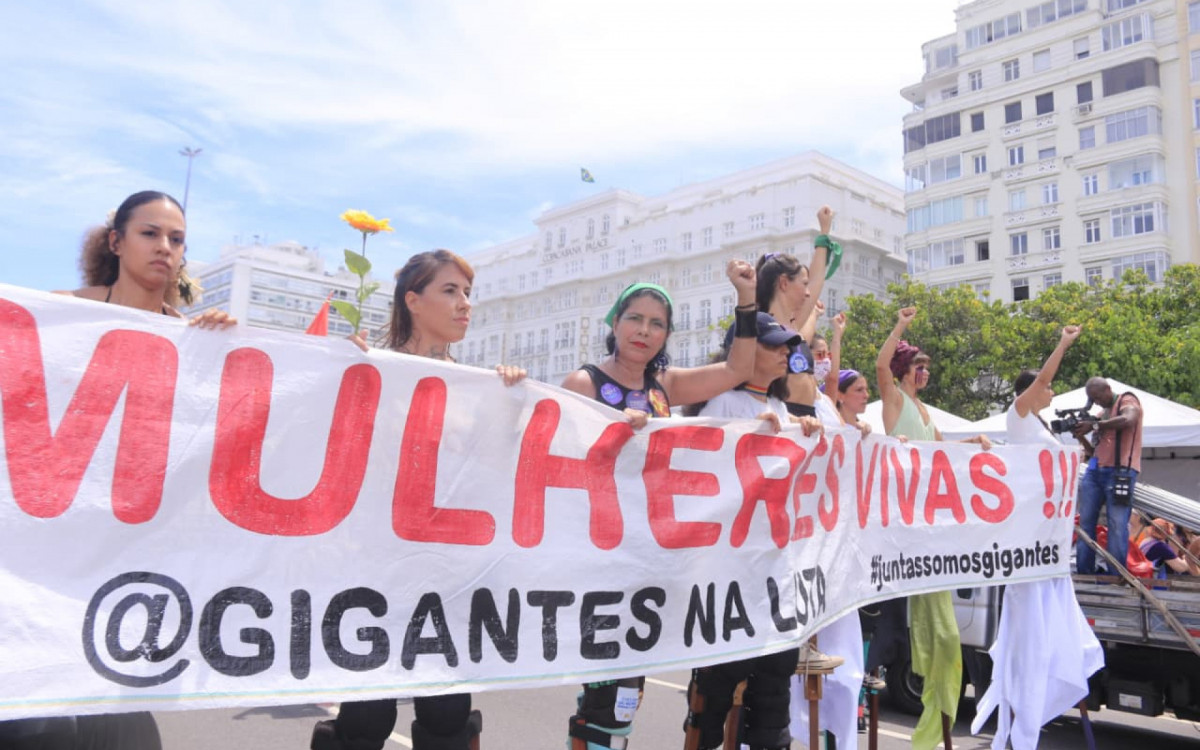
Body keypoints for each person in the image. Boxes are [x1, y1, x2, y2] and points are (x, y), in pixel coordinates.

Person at [0, 191, 235, 750]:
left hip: (132, 556)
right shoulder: (56, 315)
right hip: (43, 543)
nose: (165, 248)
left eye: (176, 239)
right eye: (150, 233)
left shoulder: (199, 339)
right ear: (115, 241)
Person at [311, 249, 525, 750]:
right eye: (450, 291)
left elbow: (492, 473)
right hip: (375, 570)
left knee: (449, 714)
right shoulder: (367, 366)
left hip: (447, 573)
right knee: (367, 719)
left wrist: (511, 408)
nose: (465, 304)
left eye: (468, 293)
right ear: (413, 300)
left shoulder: (481, 387)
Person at [559, 259, 761, 750]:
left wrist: (746, 299)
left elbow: (740, 368)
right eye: (635, 319)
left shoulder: (664, 387)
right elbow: (558, 475)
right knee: (603, 699)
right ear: (614, 322)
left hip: (650, 564)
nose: (644, 331)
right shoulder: (582, 385)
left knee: (630, 694)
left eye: (657, 324)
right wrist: (610, 438)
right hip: (600, 561)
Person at [685, 312, 822, 750]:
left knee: (771, 704)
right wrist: (745, 436)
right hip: (725, 582)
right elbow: (695, 474)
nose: (786, 352)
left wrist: (817, 436)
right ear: (745, 350)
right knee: (711, 707)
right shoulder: (721, 404)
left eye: (788, 345)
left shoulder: (786, 411)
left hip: (772, 583)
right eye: (775, 344)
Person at [970, 325, 1105, 750]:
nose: (1051, 393)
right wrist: (1063, 344)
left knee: (1052, 629)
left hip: (1048, 544)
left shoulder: (1039, 428)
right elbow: (1043, 382)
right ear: (1028, 392)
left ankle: (1033, 711)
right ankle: (1021, 725)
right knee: (1029, 637)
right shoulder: (1019, 413)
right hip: (1031, 546)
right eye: (1043, 389)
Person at [874, 306, 989, 750]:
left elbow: (941, 454)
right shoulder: (895, 399)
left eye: (927, 368)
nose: (925, 373)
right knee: (904, 624)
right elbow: (881, 364)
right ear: (906, 369)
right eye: (920, 366)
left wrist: (973, 444)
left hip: (925, 524)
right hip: (900, 521)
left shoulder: (923, 410)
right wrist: (901, 325)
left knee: (944, 633)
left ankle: (936, 700)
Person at [756, 206, 835, 419]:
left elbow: (819, 279)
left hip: (809, 422)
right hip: (783, 421)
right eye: (804, 284)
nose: (809, 293)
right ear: (784, 283)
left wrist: (824, 232)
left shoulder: (794, 329)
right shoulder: (761, 328)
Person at [1072, 377, 1144, 575]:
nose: (1096, 401)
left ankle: (1116, 574)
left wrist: (1094, 426)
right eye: (1092, 399)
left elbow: (1129, 419)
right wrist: (1079, 434)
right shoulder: (1101, 414)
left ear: (1108, 389)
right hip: (1096, 470)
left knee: (1117, 524)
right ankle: (1085, 571)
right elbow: (1092, 451)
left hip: (1120, 471)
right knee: (1085, 522)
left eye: (1097, 396)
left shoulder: (1127, 401)